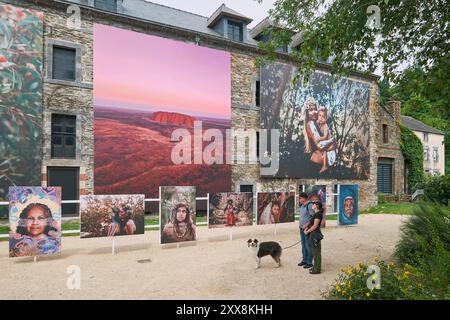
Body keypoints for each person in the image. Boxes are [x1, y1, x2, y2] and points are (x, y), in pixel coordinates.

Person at [303, 98, 337, 173]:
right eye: (310, 110)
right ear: (307, 113)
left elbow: (333, 144)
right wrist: (331, 146)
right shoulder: (310, 124)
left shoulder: (320, 124)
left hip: (321, 165)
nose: (314, 112)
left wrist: (333, 144)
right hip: (315, 165)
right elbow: (320, 146)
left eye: (315, 109)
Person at [304, 201, 324, 274]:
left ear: (317, 206)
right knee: (314, 251)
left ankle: (317, 269)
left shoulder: (318, 214)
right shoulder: (315, 214)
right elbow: (311, 224)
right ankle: (315, 267)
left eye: (314, 204)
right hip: (313, 234)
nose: (312, 205)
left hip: (315, 235)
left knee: (316, 252)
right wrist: (307, 228)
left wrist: (307, 231)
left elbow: (315, 226)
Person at [316, 106, 336, 173]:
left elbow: (325, 137)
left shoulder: (325, 126)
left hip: (329, 142)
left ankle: (324, 166)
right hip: (328, 143)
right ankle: (324, 164)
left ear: (326, 118)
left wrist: (319, 139)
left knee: (322, 146)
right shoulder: (318, 123)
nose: (321, 118)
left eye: (323, 117)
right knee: (321, 147)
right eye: (319, 115)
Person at [298, 192, 314, 269]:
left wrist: (307, 225)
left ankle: (309, 262)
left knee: (308, 245)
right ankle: (304, 260)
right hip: (301, 228)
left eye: (300, 198)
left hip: (307, 228)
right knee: (303, 244)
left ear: (304, 198)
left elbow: (313, 217)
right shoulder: (301, 206)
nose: (299, 199)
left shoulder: (310, 205)